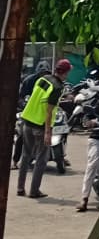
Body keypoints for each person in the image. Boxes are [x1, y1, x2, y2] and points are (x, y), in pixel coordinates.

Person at [17, 59, 72, 199]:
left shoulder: (44, 79)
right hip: (40, 126)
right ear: (65, 73)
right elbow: (49, 111)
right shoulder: (58, 87)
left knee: (26, 155)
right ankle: (34, 191)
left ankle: (20, 188)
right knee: (42, 159)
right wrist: (48, 132)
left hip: (27, 120)